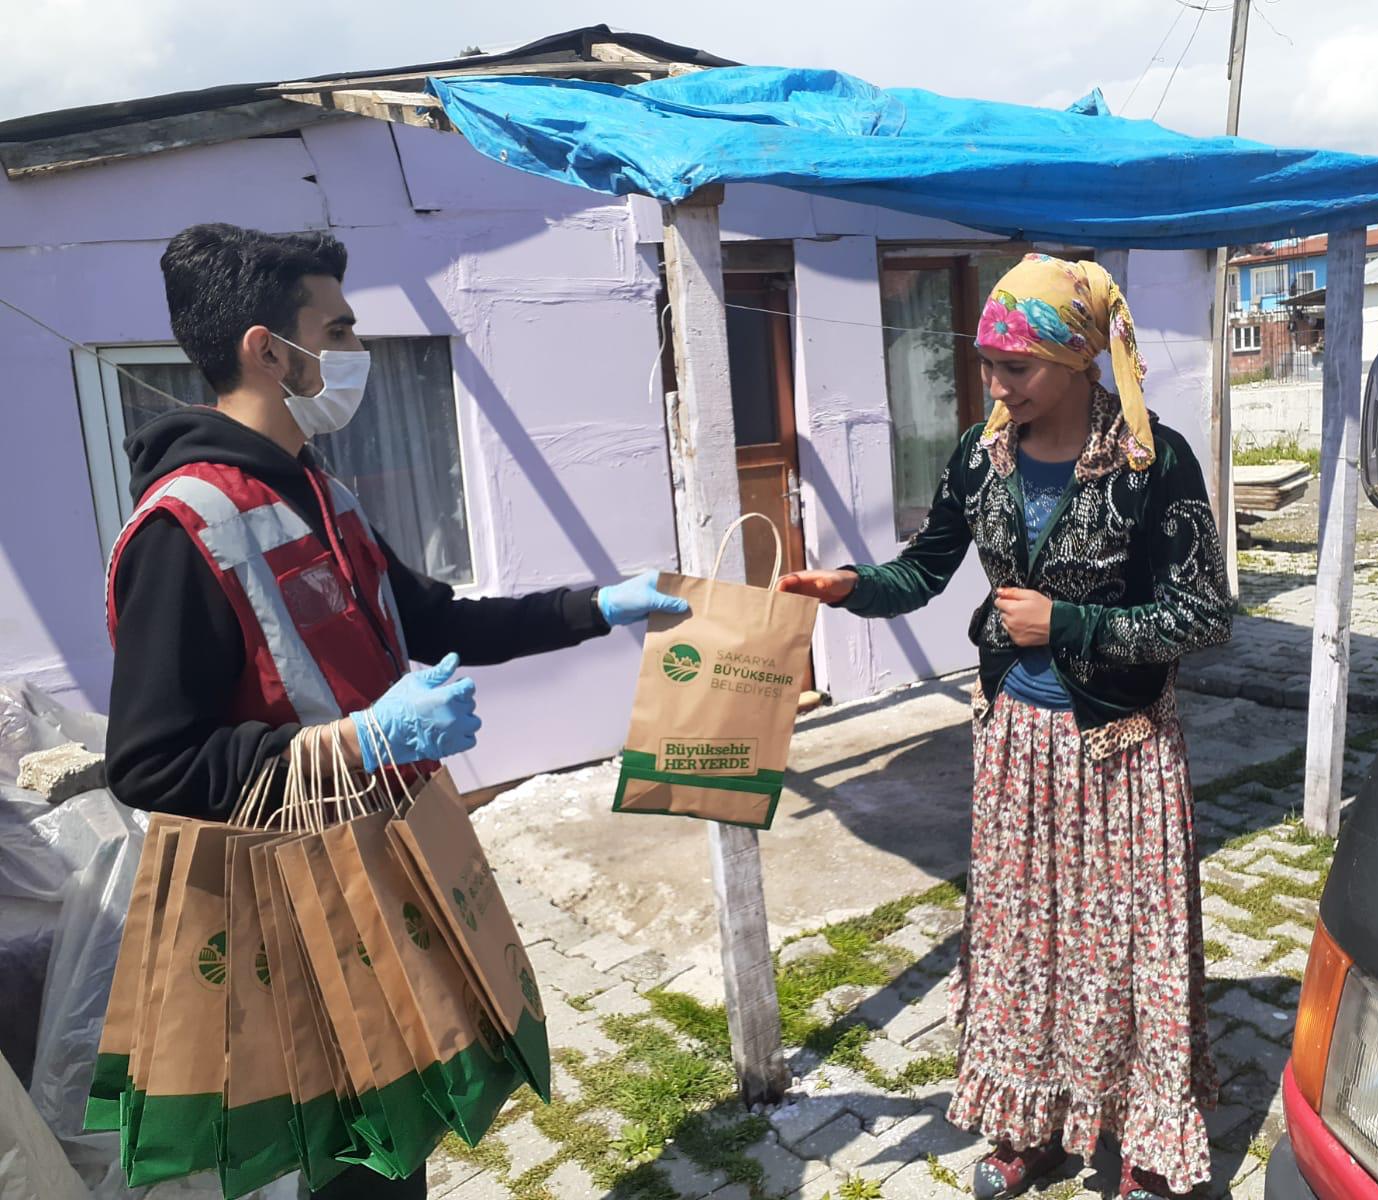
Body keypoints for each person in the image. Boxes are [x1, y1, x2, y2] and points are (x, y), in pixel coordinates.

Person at [103, 222, 687, 1199]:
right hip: (290, 900)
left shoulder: (316, 494)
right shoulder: (185, 527)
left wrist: (599, 608)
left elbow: (433, 617)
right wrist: (363, 739)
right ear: (266, 348)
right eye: (337, 330)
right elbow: (152, 762)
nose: (353, 353)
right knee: (350, 1160)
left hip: (378, 866)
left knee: (394, 1137)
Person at [778, 255, 1231, 1198]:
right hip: (1017, 745)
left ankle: (1147, 1142)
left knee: (1132, 950)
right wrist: (851, 588)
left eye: (1014, 367)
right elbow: (926, 568)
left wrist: (1070, 625)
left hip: (1123, 748)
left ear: (1078, 360)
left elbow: (1204, 615)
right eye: (986, 364)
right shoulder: (980, 459)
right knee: (1030, 946)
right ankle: (1039, 1123)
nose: (995, 385)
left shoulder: (1154, 463)